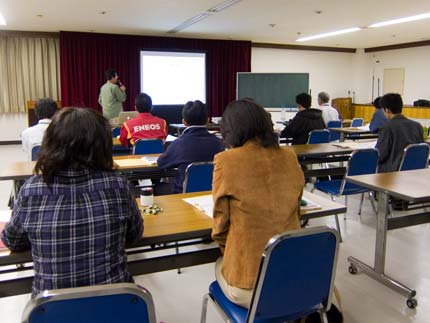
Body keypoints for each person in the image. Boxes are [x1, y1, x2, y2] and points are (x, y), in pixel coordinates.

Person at [1, 108, 143, 297]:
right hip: (115, 304)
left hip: (51, 309)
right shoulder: (118, 185)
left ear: (51, 143)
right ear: (103, 145)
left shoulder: (31, 190)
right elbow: (135, 234)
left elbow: (13, 241)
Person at [212, 99, 305, 308]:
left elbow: (220, 226)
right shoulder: (289, 156)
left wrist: (232, 250)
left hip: (252, 284)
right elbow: (297, 209)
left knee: (219, 264)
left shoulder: (225, 161)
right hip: (295, 273)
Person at [157, 100, 224, 193]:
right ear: (207, 120)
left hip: (183, 197)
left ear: (184, 122)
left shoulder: (178, 144)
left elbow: (161, 163)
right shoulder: (219, 143)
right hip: (212, 195)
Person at [376, 93, 424, 173]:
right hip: (415, 171)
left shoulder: (387, 127)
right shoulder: (417, 126)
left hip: (392, 174)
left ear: (387, 110)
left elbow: (380, 155)